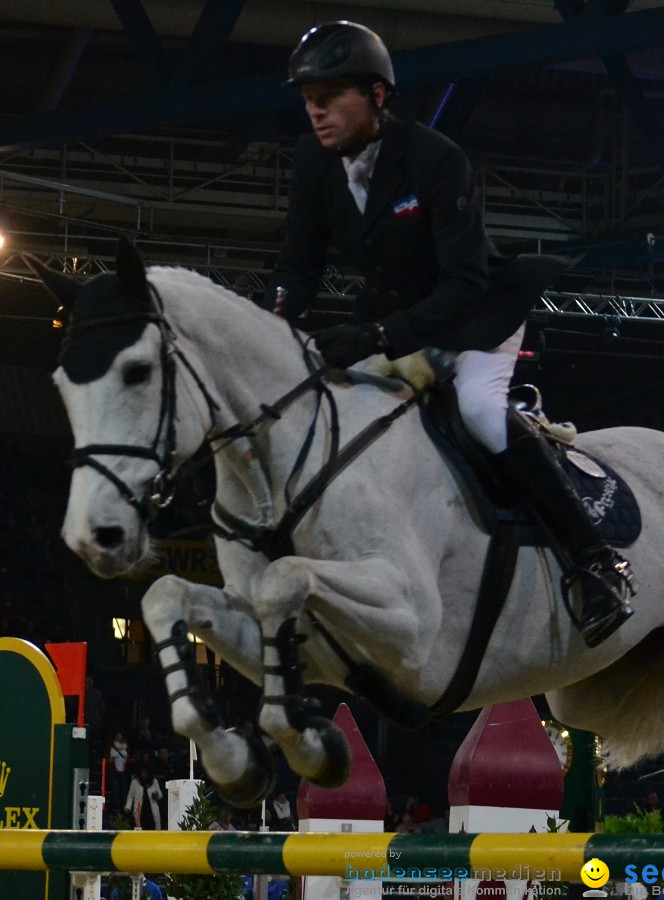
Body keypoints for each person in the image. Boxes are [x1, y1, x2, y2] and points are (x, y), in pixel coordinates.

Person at [266, 20, 635, 647]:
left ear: (378, 96)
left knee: (479, 413)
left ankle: (595, 562)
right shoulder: (312, 161)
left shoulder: (436, 159)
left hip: (477, 315)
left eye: (330, 96)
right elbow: (300, 267)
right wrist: (274, 325)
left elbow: (462, 285)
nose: (316, 111)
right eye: (308, 99)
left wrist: (378, 335)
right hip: (398, 319)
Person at [124, 766, 163, 830]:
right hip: (139, 811)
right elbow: (130, 796)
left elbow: (160, 795)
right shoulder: (134, 782)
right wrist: (128, 807)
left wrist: (157, 794)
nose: (144, 774)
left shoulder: (154, 781)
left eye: (146, 772)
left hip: (152, 811)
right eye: (143, 772)